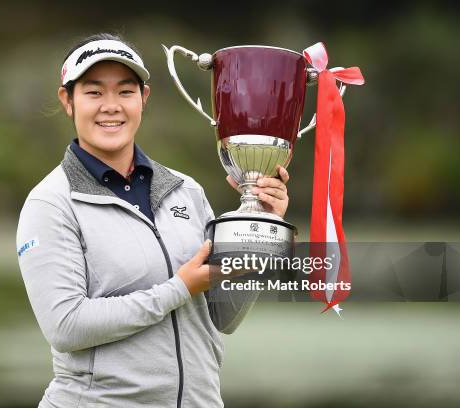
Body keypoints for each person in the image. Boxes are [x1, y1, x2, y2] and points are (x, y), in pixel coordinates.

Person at [16, 33, 290, 408]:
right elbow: (66, 326)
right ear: (68, 101)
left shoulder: (185, 191)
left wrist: (259, 232)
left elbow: (224, 318)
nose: (111, 106)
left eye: (125, 92)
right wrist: (178, 288)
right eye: (94, 92)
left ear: (143, 99)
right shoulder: (51, 202)